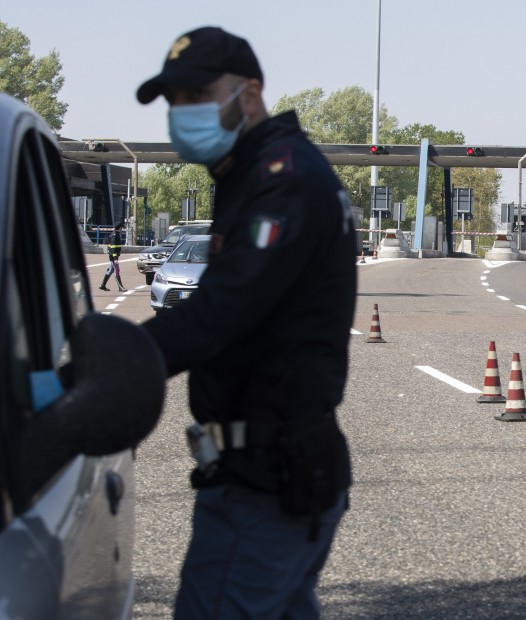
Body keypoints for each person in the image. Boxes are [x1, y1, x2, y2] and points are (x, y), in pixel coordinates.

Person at [136, 26, 357, 619]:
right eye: (175, 102)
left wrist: (104, 362)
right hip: (273, 470)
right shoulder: (253, 174)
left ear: (250, 94)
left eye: (198, 95)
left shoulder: (281, 180)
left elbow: (220, 312)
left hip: (266, 483)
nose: (183, 113)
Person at [100, 222, 128, 292]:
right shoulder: (115, 235)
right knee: (117, 270)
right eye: (122, 227)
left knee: (111, 270)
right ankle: (120, 287)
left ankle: (102, 285)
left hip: (113, 256)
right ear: (120, 228)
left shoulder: (115, 234)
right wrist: (115, 259)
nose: (122, 229)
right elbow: (113, 248)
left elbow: (111, 247)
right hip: (114, 257)